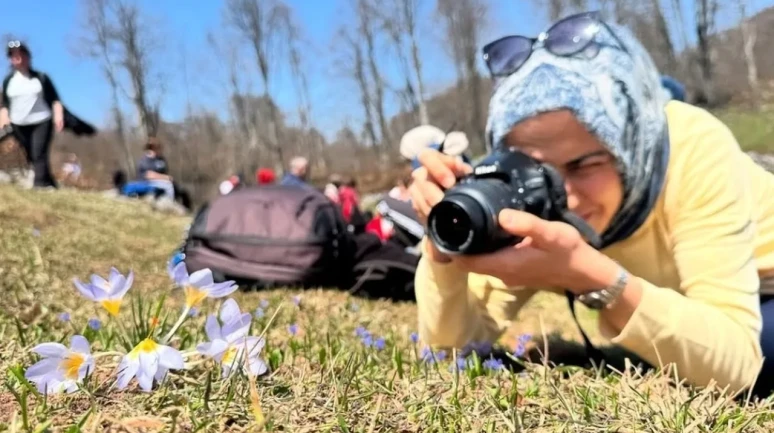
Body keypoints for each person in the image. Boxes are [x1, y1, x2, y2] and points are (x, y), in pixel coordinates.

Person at [409, 11, 774, 398]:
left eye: (585, 164)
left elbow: (738, 368)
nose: (563, 195)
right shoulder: (528, 201)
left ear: (631, 146)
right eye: (537, 169)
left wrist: (593, 279)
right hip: (688, 307)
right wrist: (445, 252)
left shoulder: (693, 147)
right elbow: (448, 355)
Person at [0, 41, 63, 188]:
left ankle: (40, 186)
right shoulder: (9, 81)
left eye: (21, 54)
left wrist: (58, 115)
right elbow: (5, 104)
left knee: (38, 152)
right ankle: (51, 184)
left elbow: (55, 100)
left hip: (41, 120)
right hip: (19, 124)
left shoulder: (40, 78)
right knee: (32, 155)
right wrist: (3, 118)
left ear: (27, 57)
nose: (18, 58)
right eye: (14, 56)